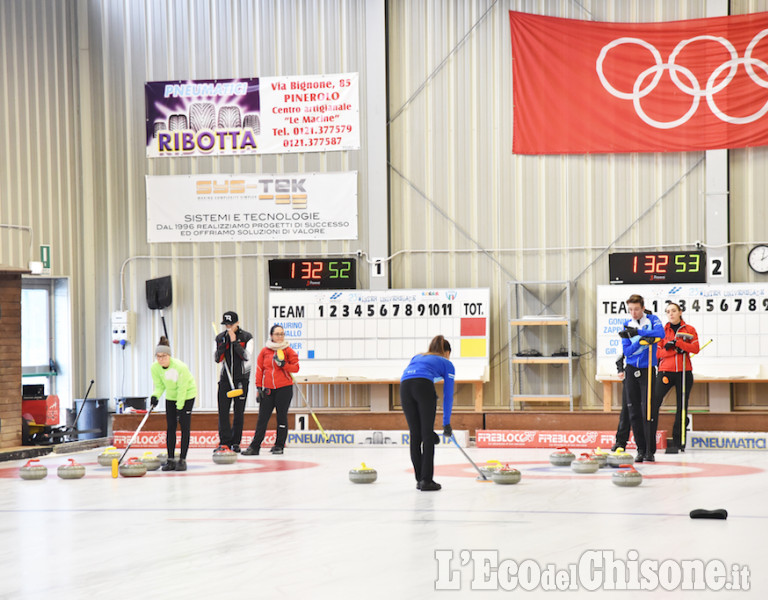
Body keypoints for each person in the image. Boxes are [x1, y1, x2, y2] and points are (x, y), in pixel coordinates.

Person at [400, 335, 455, 492]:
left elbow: (416, 375)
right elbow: (448, 395)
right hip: (423, 386)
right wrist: (446, 423)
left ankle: (420, 480)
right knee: (426, 436)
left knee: (415, 435)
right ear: (446, 352)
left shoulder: (417, 356)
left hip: (404, 387)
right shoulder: (447, 363)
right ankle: (427, 480)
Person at [617, 295, 664, 463]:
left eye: (636, 309)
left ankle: (650, 450)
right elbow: (628, 351)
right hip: (631, 370)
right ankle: (640, 449)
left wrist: (639, 333)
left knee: (648, 411)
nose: (633, 312)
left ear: (643, 308)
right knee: (633, 411)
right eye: (630, 309)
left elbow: (660, 333)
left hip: (647, 370)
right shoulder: (626, 325)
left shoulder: (652, 319)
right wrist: (641, 341)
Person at [242, 325, 299, 455]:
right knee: (262, 418)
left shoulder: (288, 351)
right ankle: (255, 447)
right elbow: (260, 370)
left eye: (282, 334)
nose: (280, 337)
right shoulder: (265, 351)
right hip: (267, 389)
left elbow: (296, 368)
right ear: (271, 335)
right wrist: (258, 387)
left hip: (284, 388)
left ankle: (279, 445)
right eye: (277, 334)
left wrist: (284, 365)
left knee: (281, 417)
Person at [654, 302, 699, 454]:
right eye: (668, 311)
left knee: (682, 407)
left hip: (684, 372)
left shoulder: (690, 329)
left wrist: (679, 344)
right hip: (665, 371)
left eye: (674, 311)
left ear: (680, 312)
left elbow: (695, 348)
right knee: (654, 402)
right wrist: (673, 350)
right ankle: (649, 439)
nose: (671, 314)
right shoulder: (662, 331)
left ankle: (678, 441)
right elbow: (658, 353)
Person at [150, 336, 198, 472]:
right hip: (171, 396)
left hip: (187, 395)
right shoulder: (155, 368)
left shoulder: (180, 367)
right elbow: (159, 386)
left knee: (184, 426)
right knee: (170, 427)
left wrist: (179, 408)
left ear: (169, 356)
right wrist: (155, 396)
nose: (160, 359)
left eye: (163, 356)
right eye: (158, 356)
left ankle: (182, 460)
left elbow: (182, 389)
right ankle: (170, 460)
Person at [214, 311, 254, 453]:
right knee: (223, 411)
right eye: (226, 325)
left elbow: (246, 356)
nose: (228, 327)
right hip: (226, 379)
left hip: (241, 379)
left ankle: (235, 442)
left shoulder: (247, 337)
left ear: (237, 323)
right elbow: (217, 359)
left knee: (239, 412)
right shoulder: (219, 338)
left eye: (231, 324)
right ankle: (224, 442)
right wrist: (223, 346)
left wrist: (234, 342)